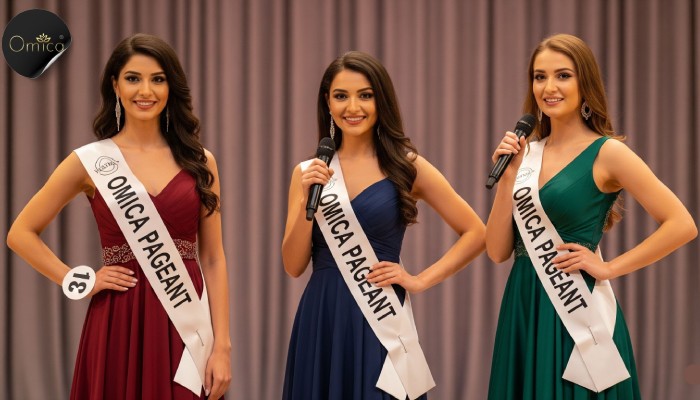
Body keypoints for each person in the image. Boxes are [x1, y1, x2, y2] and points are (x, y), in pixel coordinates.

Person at [6, 34, 231, 399]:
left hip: (186, 320)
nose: (146, 90)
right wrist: (77, 279)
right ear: (115, 85)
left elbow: (213, 258)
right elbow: (20, 233)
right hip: (118, 319)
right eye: (133, 78)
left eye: (158, 79)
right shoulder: (89, 161)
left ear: (171, 86)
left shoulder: (201, 161)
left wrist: (222, 345)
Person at [485, 33, 697, 399]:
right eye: (539, 76)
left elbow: (682, 224)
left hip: (576, 309)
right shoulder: (526, 154)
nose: (548, 87)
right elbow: (497, 251)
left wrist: (609, 268)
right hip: (523, 303)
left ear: (585, 82)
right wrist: (507, 180)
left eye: (563, 75)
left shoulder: (607, 152)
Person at [281, 50, 486, 400]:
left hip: (380, 317)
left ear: (381, 100)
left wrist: (419, 280)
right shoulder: (307, 172)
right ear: (327, 103)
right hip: (324, 316)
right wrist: (304, 201)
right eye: (341, 96)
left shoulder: (407, 166)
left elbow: (477, 232)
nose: (353, 107)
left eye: (365, 95)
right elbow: (293, 264)